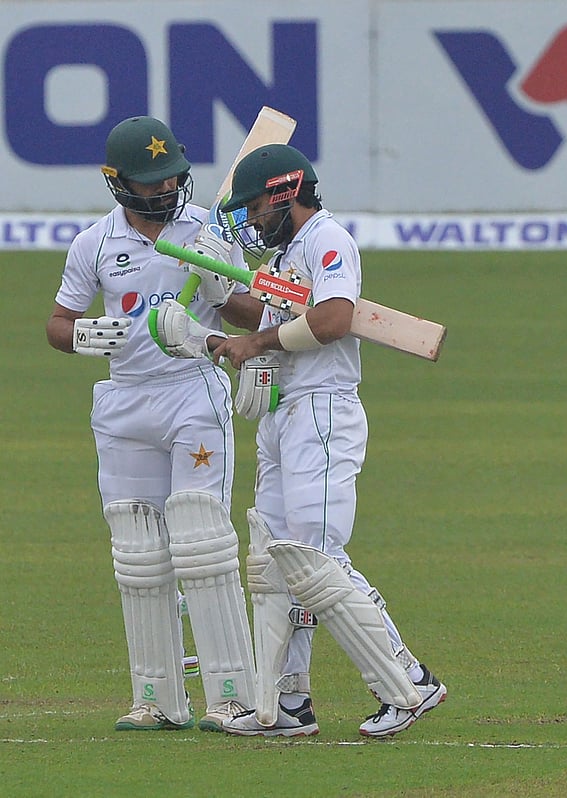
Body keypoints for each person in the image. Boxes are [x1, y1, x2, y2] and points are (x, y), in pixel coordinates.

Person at [154, 143, 446, 737]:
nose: (251, 218)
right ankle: (287, 704)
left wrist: (253, 346)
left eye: (256, 205)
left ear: (286, 192)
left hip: (323, 412)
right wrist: (208, 314)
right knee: (277, 562)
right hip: (281, 413)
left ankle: (409, 681)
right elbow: (258, 324)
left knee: (316, 560)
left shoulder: (328, 241)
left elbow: (334, 316)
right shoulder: (288, 254)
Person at [45, 115, 262, 730]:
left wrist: (221, 283)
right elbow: (58, 323)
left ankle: (231, 694)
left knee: (201, 541)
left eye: (172, 179)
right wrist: (83, 335)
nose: (165, 192)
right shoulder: (93, 244)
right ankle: (159, 699)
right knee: (138, 552)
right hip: (124, 401)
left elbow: (252, 315)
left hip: (191, 390)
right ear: (118, 184)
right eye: (151, 183)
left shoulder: (206, 230)